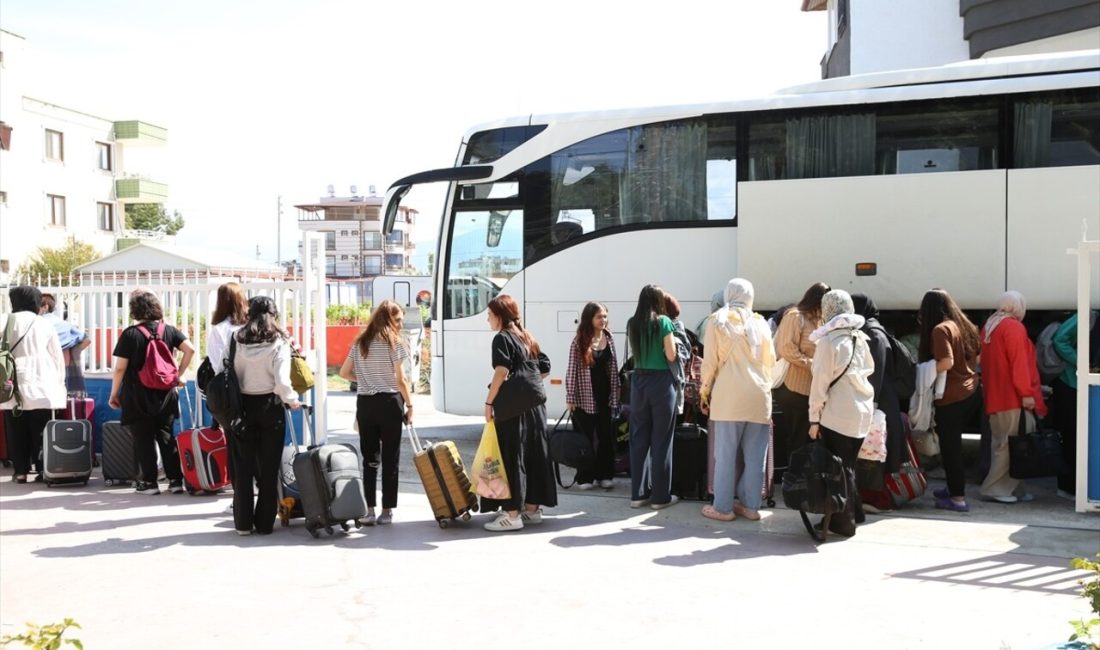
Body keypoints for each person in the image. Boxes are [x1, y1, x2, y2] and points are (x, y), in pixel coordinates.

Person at [698, 278, 775, 522]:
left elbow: (709, 363)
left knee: (726, 455)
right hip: (759, 396)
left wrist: (704, 391)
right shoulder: (761, 323)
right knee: (755, 457)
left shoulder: (717, 321)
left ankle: (722, 507)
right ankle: (751, 506)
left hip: (729, 396)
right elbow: (770, 361)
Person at [108, 291, 194, 495]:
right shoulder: (169, 330)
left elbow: (120, 368)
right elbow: (190, 349)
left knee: (143, 439)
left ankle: (149, 483)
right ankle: (175, 481)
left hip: (138, 395)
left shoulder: (130, 334)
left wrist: (114, 394)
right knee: (166, 436)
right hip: (165, 393)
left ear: (135, 310)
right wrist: (177, 374)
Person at [482, 294, 555, 531]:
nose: (488, 320)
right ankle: (532, 510)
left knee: (512, 455)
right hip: (535, 405)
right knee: (534, 453)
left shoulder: (502, 338)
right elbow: (544, 366)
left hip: (513, 409)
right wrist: (525, 382)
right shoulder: (526, 336)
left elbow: (501, 371)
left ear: (500, 316)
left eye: (490, 315)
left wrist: (489, 402)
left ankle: (512, 514)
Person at [338, 300, 414, 526]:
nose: (401, 324)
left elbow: (343, 372)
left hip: (366, 405)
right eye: (398, 319)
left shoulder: (361, 342)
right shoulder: (395, 343)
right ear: (389, 319)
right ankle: (387, 511)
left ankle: (368, 510)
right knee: (391, 459)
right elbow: (400, 380)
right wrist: (410, 405)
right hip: (390, 403)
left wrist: (365, 379)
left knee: (369, 459)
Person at [230, 296, 301, 535]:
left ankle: (242, 524)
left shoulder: (237, 338)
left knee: (243, 468)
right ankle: (263, 524)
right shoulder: (279, 341)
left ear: (249, 314)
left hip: (243, 407)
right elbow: (282, 380)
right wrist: (291, 400)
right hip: (270, 406)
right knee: (269, 469)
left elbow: (230, 373)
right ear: (274, 314)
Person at [808, 289, 875, 537]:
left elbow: (819, 383)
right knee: (848, 466)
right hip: (861, 410)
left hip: (838, 413)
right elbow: (869, 370)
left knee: (837, 469)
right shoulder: (860, 338)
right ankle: (855, 513)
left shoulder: (828, 342)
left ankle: (842, 522)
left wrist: (814, 418)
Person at [917, 288, 982, 513]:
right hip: (972, 391)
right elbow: (978, 357)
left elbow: (945, 362)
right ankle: (953, 487)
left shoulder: (940, 329)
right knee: (955, 445)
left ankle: (957, 498)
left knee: (950, 448)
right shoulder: (964, 325)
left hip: (951, 397)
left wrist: (921, 370)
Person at [979, 291, 1046, 503]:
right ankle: (995, 488)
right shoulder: (1014, 328)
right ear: (1018, 307)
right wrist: (1027, 394)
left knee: (1004, 443)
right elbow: (1019, 365)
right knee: (1012, 445)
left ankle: (1016, 489)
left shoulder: (990, 327)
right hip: (1012, 398)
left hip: (995, 397)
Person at [1, 287, 66, 483]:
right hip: (42, 382)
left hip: (11, 383)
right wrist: (59, 383)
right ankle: (42, 469)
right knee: (41, 429)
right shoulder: (43, 324)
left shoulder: (5, 320)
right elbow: (56, 356)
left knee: (15, 429)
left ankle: (20, 472)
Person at [626, 284, 680, 510]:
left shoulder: (632, 323)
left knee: (638, 439)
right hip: (661, 383)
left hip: (638, 382)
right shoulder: (664, 322)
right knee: (661, 440)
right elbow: (671, 354)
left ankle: (638, 495)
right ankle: (660, 497)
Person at [850, 293, 905, 512]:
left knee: (873, 451)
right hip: (883, 398)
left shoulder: (872, 334)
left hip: (878, 400)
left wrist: (869, 404)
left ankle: (877, 499)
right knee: (874, 450)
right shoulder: (875, 330)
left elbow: (875, 371)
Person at [773, 282, 830, 479]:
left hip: (813, 388)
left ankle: (803, 476)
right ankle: (795, 478)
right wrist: (812, 364)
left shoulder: (820, 320)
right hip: (793, 387)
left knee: (808, 435)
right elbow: (786, 349)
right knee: (797, 434)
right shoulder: (794, 316)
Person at [564, 301, 620, 490]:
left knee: (606, 437)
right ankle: (584, 477)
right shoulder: (579, 340)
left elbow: (613, 368)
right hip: (583, 396)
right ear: (589, 318)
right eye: (599, 316)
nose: (603, 320)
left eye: (605, 316)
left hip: (605, 395)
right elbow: (571, 370)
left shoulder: (609, 338)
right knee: (584, 439)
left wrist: (616, 394)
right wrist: (570, 397)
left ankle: (605, 475)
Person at [1050, 310, 1100, 498]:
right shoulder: (1089, 316)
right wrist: (1082, 362)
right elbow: (1060, 340)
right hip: (1070, 384)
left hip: (1083, 386)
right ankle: (1068, 486)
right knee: (1071, 436)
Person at [38, 293, 91, 395]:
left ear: (45, 307)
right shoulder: (65, 325)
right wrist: (73, 350)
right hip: (64, 366)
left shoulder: (37, 323)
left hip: (43, 368)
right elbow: (87, 340)